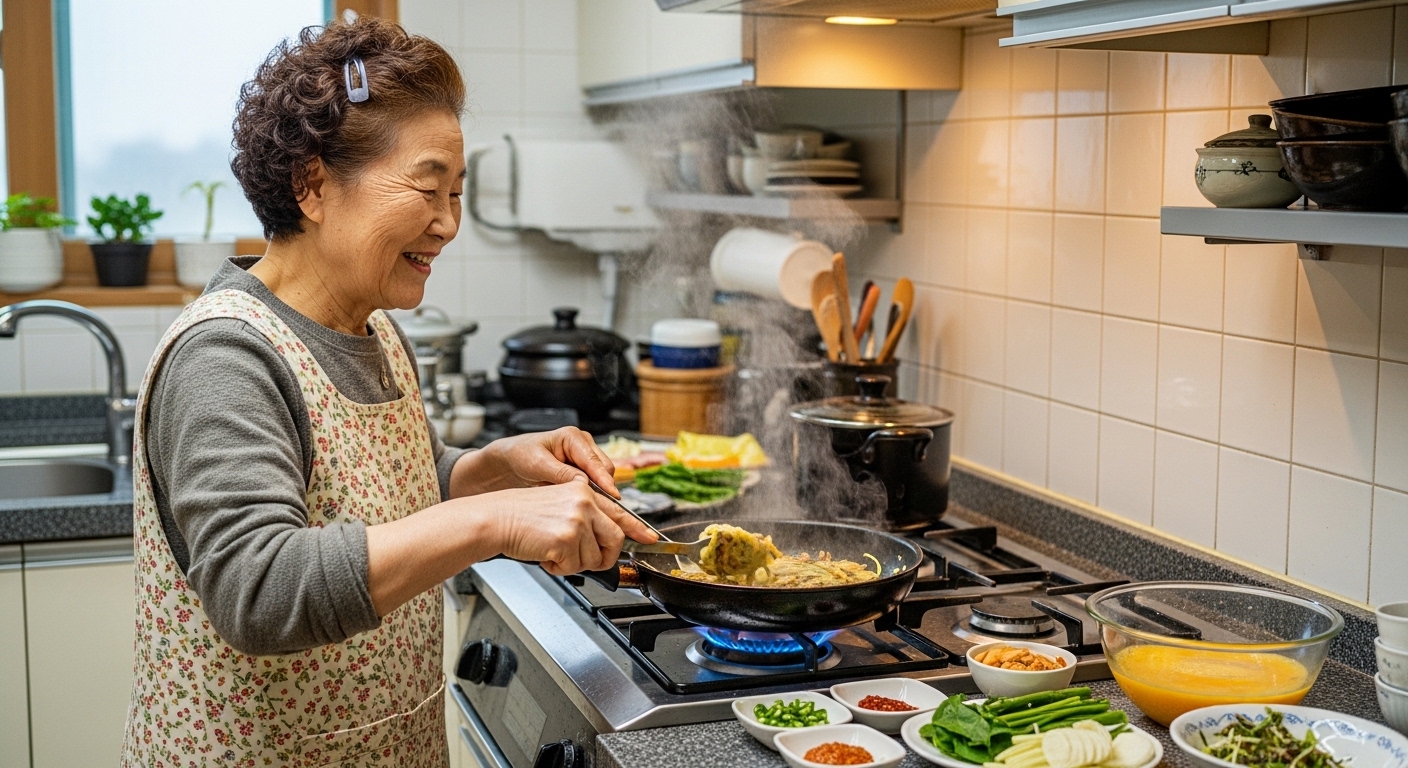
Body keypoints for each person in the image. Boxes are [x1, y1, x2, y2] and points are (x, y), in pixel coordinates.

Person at [120, 16, 654, 767]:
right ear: (312, 183)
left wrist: (487, 470)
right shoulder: (227, 354)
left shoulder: (373, 325)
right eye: (428, 188)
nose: (447, 223)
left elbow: (381, 494)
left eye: (458, 193)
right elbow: (259, 589)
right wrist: (494, 520)